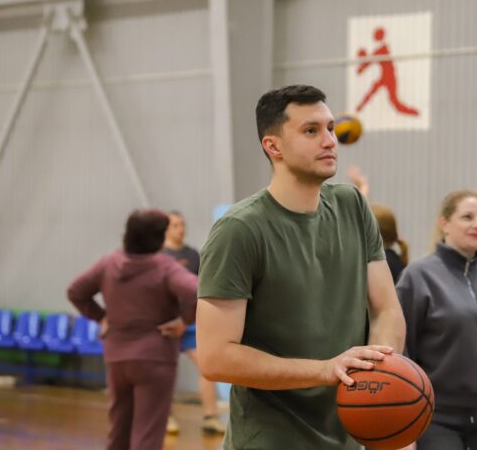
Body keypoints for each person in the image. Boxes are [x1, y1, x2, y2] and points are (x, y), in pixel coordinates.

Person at [195, 84, 406, 449]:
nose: (329, 140)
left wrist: (376, 380)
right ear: (273, 146)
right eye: (311, 131)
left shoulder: (353, 206)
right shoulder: (239, 230)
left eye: (330, 128)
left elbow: (387, 309)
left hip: (348, 434)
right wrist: (323, 370)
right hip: (270, 440)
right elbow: (215, 357)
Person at [67, 209, 198, 450]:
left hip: (117, 357)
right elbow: (200, 291)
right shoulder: (166, 267)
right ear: (160, 238)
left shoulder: (109, 263)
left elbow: (75, 292)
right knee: (147, 436)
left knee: (118, 434)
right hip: (155, 358)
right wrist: (185, 321)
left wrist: (102, 317)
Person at [396, 190, 477, 450]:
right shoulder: (418, 277)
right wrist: (402, 424)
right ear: (445, 223)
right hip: (437, 415)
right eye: (467, 217)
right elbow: (401, 351)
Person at [162, 210, 226, 435]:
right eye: (175, 225)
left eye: (182, 224)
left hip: (189, 322)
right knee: (165, 373)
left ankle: (210, 416)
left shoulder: (193, 254)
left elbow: (202, 288)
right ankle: (166, 418)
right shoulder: (158, 256)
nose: (181, 228)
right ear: (166, 229)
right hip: (165, 324)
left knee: (207, 368)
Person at [347, 166, 409, 284]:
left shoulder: (378, 262)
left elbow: (357, 218)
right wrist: (364, 188)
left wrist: (363, 188)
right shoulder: (394, 259)